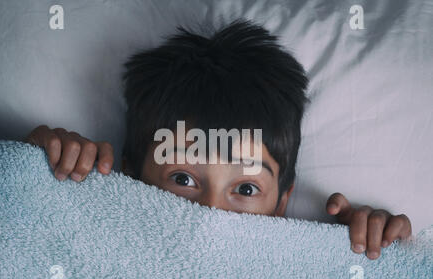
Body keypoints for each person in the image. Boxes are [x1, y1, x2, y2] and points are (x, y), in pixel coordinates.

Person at [24, 19, 411, 260]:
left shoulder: (308, 262)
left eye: (245, 187)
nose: (209, 214)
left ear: (281, 205)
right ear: (130, 174)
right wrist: (35, 169)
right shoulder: (96, 238)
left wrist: (363, 249)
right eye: (182, 179)